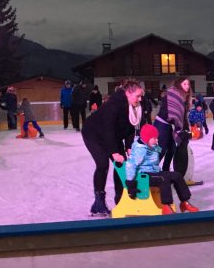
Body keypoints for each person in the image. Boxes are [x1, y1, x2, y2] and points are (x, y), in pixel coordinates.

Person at [81, 80, 144, 216]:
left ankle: (120, 198)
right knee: (103, 164)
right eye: (138, 96)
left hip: (112, 135)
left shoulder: (134, 107)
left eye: (141, 96)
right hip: (94, 134)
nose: (140, 99)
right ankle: (99, 202)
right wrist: (114, 152)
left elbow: (130, 128)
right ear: (128, 93)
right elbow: (108, 130)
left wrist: (128, 147)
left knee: (121, 164)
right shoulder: (113, 105)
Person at [125, 124, 200, 215]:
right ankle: (166, 206)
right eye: (154, 138)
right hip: (143, 175)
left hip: (154, 172)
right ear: (146, 138)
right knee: (163, 178)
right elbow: (130, 165)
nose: (157, 140)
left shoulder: (152, 144)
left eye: (157, 138)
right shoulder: (140, 149)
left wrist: (171, 146)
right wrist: (130, 184)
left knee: (177, 175)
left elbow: (161, 150)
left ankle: (185, 202)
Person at [153, 76, 192, 171]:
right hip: (161, 124)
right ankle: (150, 168)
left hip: (168, 125)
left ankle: (165, 170)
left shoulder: (182, 97)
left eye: (188, 84)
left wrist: (186, 129)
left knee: (172, 148)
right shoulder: (172, 95)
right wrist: (180, 128)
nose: (187, 86)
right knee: (162, 148)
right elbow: (174, 114)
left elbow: (182, 116)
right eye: (184, 84)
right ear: (179, 84)